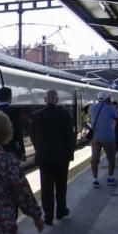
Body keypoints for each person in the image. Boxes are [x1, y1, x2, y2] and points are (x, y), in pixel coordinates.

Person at [30, 90, 75, 223]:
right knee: (61, 186)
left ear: (45, 99)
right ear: (57, 100)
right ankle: (61, 211)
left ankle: (48, 216)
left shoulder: (36, 115)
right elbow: (69, 136)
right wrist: (70, 153)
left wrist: (39, 150)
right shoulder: (64, 114)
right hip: (62, 158)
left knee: (46, 187)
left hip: (44, 158)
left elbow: (33, 136)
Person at [87, 92, 118, 188]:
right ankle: (110, 178)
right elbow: (117, 118)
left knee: (94, 160)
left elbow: (90, 119)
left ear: (97, 98)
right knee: (111, 159)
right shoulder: (111, 108)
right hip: (108, 137)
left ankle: (95, 180)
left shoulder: (91, 108)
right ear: (107, 99)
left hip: (95, 138)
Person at [0, 87, 25, 160]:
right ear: (10, 97)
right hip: (12, 150)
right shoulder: (15, 111)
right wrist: (21, 151)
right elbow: (18, 132)